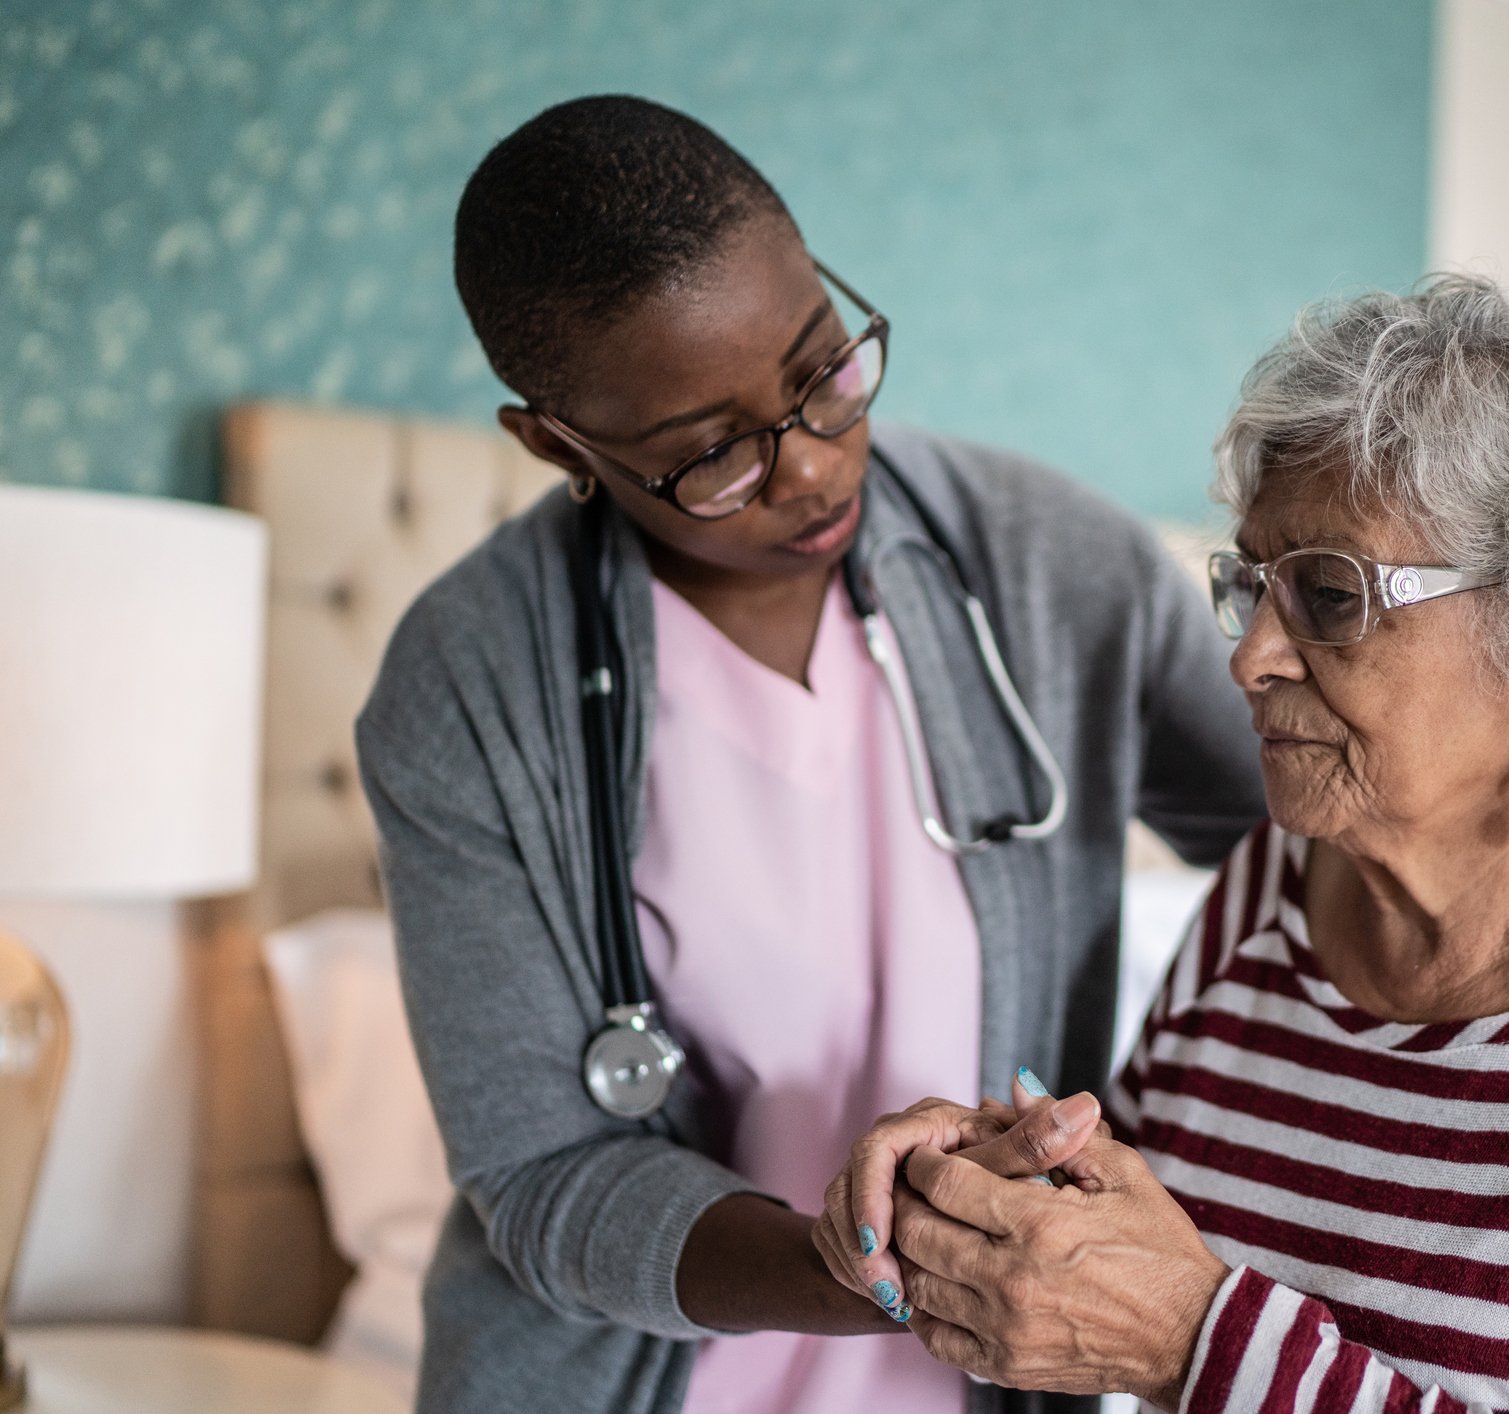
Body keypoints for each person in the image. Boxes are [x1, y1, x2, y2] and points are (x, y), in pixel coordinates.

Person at [818, 278, 1509, 1413]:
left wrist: (1193, 1346)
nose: (1248, 658)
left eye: (1326, 592)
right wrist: (989, 1180)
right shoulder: (1274, 890)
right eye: (1250, 584)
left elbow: (1170, 1315)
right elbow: (1134, 1246)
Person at [355, 94, 1265, 1414]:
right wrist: (869, 1260)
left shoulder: (1056, 566)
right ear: (556, 443)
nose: (812, 471)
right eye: (713, 454)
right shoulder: (469, 686)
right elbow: (547, 1174)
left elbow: (1321, 850)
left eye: (823, 370)